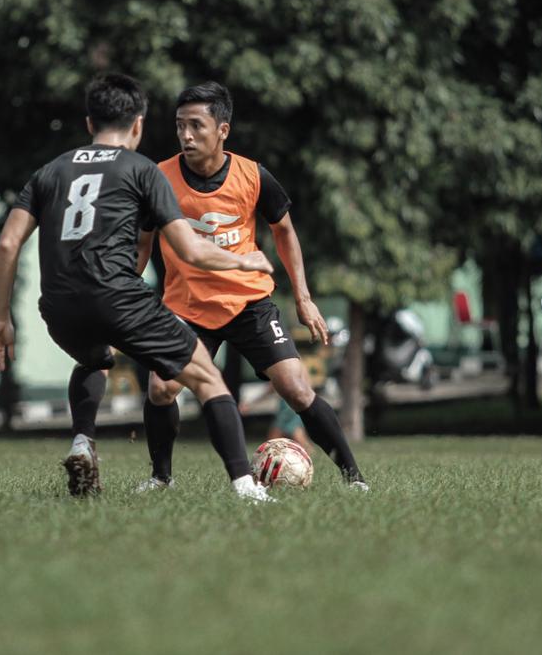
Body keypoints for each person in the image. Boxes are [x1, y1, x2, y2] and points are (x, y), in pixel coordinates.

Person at [0, 73, 275, 502]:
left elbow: (8, 244)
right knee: (209, 378)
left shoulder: (50, 171)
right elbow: (190, 251)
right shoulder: (143, 170)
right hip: (118, 296)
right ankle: (248, 488)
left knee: (94, 359)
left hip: (59, 306)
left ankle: (82, 442)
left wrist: (1, 318)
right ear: (137, 124)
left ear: (88, 123)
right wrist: (243, 260)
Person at [133, 82, 367, 491]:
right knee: (161, 388)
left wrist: (304, 299)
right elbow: (143, 241)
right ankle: (161, 479)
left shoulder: (253, 175)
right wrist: (123, 296)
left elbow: (285, 232)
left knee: (296, 389)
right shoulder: (159, 178)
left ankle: (354, 479)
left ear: (222, 130)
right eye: (179, 126)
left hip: (248, 302)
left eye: (196, 126)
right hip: (187, 307)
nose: (186, 136)